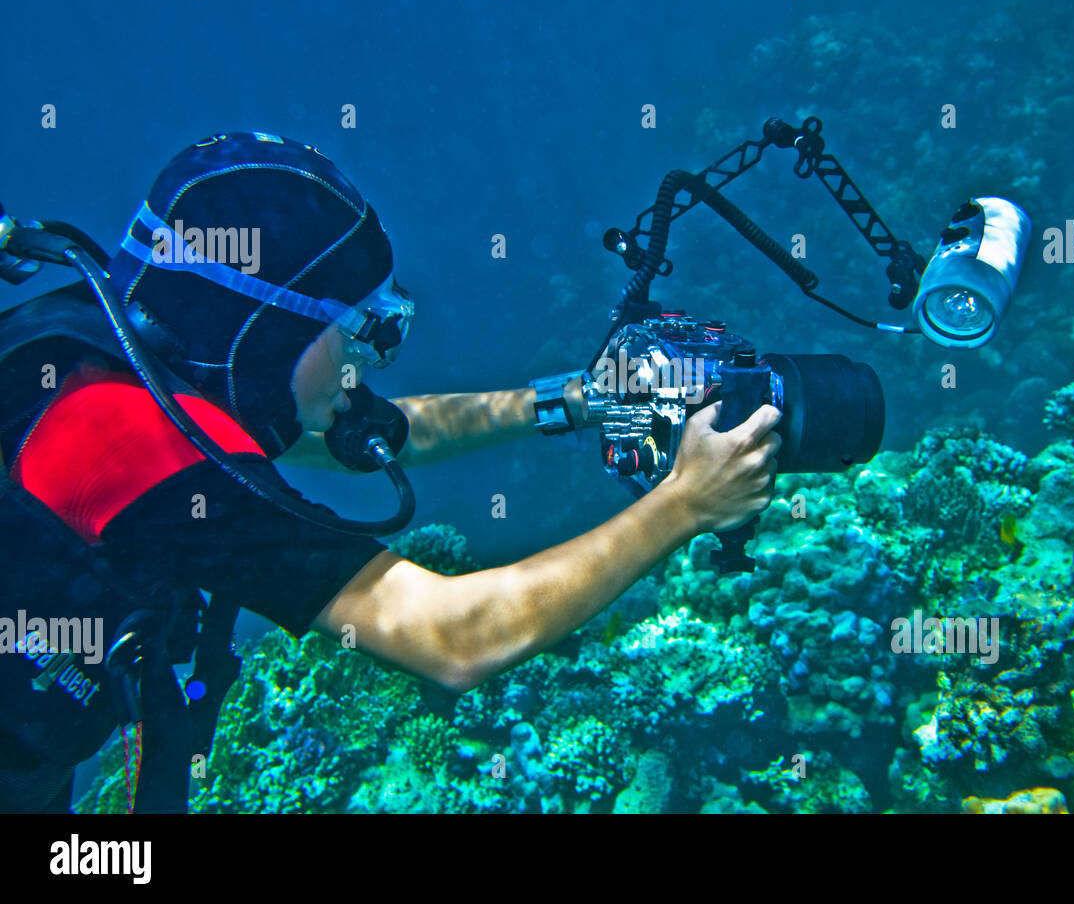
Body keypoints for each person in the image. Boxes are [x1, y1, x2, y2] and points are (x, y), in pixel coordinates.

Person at [0, 132, 781, 812]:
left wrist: (580, 399)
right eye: (358, 335)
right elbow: (452, 636)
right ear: (266, 330)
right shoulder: (151, 456)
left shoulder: (117, 352)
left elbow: (391, 436)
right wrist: (687, 503)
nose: (365, 368)